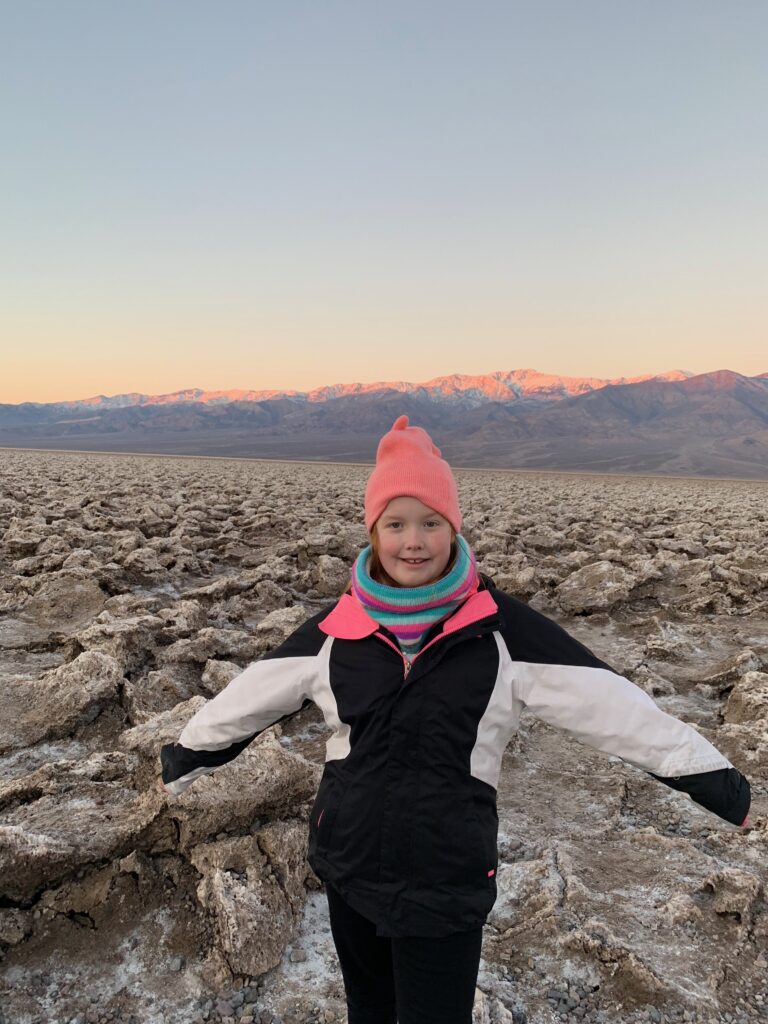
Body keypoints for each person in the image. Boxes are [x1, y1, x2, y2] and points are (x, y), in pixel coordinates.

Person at [160, 415, 751, 1024]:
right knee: (369, 1008)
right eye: (395, 524)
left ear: (452, 527)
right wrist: (182, 758)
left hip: (447, 876)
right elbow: (251, 696)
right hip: (349, 864)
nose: (412, 541)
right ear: (373, 532)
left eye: (430, 523)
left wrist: (719, 784)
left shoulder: (503, 632)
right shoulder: (337, 629)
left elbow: (613, 706)